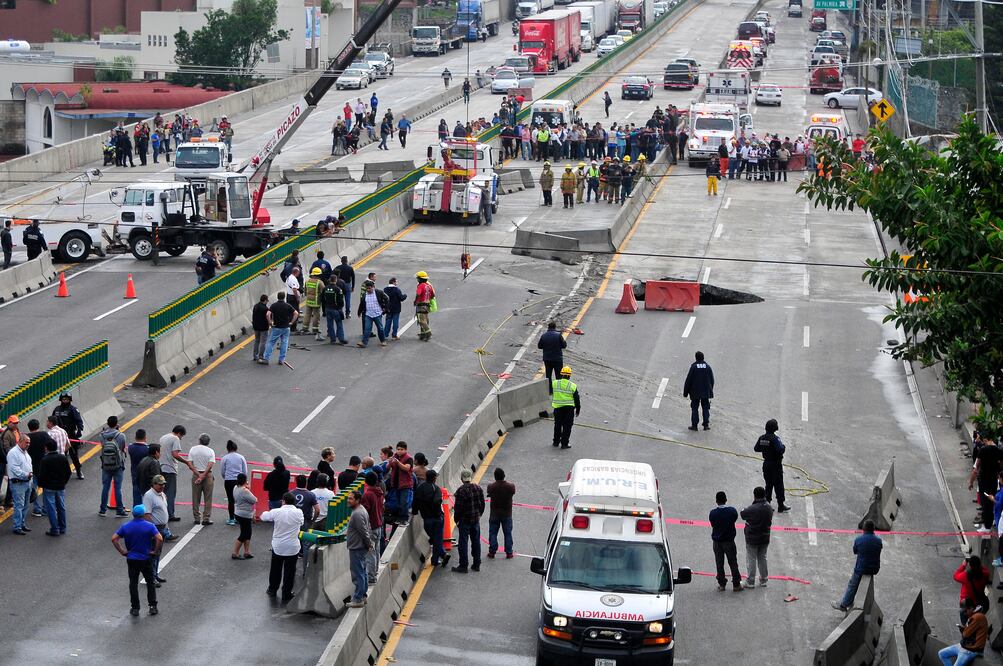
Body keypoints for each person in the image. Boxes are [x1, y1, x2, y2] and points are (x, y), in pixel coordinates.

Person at [111, 505, 163, 617]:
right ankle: (153, 606)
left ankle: (135, 608)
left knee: (133, 583)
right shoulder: (149, 526)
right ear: (143, 514)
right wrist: (154, 551)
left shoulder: (126, 526)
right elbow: (159, 538)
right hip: (145, 558)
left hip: (132, 558)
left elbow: (114, 538)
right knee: (150, 582)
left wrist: (122, 551)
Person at [261, 492, 304, 603]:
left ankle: (272, 589)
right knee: (290, 571)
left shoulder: (276, 512)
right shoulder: (299, 512)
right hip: (292, 547)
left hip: (278, 546)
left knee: (275, 569)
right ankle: (286, 592)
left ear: (283, 501)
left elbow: (263, 517)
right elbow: (302, 522)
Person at [831, 519, 882, 612]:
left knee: (852, 585)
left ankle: (844, 604)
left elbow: (855, 551)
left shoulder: (859, 540)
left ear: (864, 529)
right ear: (873, 529)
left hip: (861, 569)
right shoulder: (878, 540)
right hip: (875, 568)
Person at [413, 469, 450, 568]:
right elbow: (437, 501)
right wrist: (438, 514)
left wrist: (415, 511)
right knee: (437, 539)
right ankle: (436, 559)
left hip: (426, 519)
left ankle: (443, 555)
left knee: (434, 539)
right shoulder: (436, 488)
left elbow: (415, 501)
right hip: (437, 518)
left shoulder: (420, 488)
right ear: (434, 478)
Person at [740, 486, 774, 588]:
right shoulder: (769, 507)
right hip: (765, 537)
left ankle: (750, 581)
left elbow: (742, 514)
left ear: (754, 496)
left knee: (751, 558)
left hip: (752, 538)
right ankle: (764, 579)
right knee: (762, 557)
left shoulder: (752, 509)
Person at [452, 469, 485, 573]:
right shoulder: (478, 488)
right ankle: (476, 564)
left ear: (462, 479)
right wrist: (479, 515)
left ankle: (463, 565)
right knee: (476, 542)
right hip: (475, 520)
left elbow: (458, 508)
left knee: (463, 543)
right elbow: (482, 505)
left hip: (464, 521)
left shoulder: (461, 491)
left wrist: (456, 520)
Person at [346, 490, 375, 607]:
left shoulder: (357, 513)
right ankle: (363, 595)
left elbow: (364, 532)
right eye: (348, 498)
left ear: (357, 500)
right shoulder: (361, 510)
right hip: (360, 546)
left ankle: (358, 599)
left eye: (351, 499)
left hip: (357, 547)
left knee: (358, 574)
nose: (348, 501)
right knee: (362, 572)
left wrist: (369, 544)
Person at [938, 598, 988, 665]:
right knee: (942, 654)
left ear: (971, 608)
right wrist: (963, 628)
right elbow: (969, 632)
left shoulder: (977, 617)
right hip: (964, 646)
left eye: (965, 611)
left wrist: (964, 630)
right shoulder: (973, 615)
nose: (964, 613)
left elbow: (965, 634)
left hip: (971, 650)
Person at [37, 438, 70, 536]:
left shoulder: (45, 460)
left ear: (47, 448)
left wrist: (41, 485)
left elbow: (42, 475)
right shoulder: (62, 458)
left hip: (48, 487)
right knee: (61, 507)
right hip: (60, 486)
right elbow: (68, 472)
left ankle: (55, 529)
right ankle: (62, 527)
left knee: (51, 508)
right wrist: (64, 482)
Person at [755, 419, 790, 513]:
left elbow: (756, 448)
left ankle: (767, 505)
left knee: (768, 485)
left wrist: (766, 450)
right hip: (775, 465)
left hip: (766, 464)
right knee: (778, 485)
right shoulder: (775, 439)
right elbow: (780, 450)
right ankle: (781, 505)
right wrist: (783, 447)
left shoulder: (762, 438)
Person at [710, 491, 742, 592]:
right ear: (726, 500)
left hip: (717, 542)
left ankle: (722, 584)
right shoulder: (732, 511)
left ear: (716, 501)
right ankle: (736, 584)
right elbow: (734, 519)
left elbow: (713, 524)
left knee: (719, 563)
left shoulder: (713, 513)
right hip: (729, 541)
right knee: (733, 562)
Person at [969, 433, 1001, 532]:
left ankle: (987, 526)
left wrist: (971, 482)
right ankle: (990, 523)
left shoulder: (983, 450)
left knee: (985, 503)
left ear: (986, 440)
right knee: (991, 502)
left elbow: (975, 469)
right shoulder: (999, 451)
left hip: (983, 480)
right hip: (994, 480)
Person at [143, 475, 171, 583]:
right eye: (160, 484)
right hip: (155, 529)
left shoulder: (162, 494)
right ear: (153, 484)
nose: (162, 486)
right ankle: (150, 577)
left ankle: (155, 574)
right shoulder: (149, 496)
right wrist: (153, 530)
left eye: (163, 484)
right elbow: (146, 514)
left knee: (157, 552)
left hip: (162, 528)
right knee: (152, 554)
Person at [98, 417, 128, 517]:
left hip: (106, 464)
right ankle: (119, 510)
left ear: (107, 423)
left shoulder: (102, 435)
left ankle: (102, 510)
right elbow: (122, 448)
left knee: (105, 487)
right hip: (118, 464)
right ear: (117, 424)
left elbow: (102, 446)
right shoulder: (121, 435)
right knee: (117, 488)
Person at [157, 425, 187, 522]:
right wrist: (186, 462)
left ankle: (162, 512)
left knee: (161, 492)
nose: (181, 438)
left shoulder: (163, 437)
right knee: (170, 492)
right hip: (170, 468)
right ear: (179, 433)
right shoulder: (175, 438)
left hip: (160, 467)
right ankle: (170, 514)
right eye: (181, 436)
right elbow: (175, 454)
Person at [259, 291, 298, 365]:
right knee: (284, 343)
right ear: (284, 297)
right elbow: (296, 313)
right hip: (286, 327)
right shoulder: (287, 305)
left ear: (277, 297)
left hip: (277, 327)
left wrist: (270, 323)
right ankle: (281, 360)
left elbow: (268, 314)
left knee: (271, 342)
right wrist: (291, 322)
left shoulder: (274, 306)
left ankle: (266, 358)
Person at [51, 393, 84, 479]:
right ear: (61, 400)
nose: (65, 401)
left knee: (74, 455)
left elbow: (79, 421)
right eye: (63, 399)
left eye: (67, 399)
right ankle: (63, 473)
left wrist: (79, 430)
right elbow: (52, 421)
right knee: (62, 456)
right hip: (60, 437)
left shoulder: (73, 409)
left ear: (70, 400)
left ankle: (79, 471)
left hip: (71, 436)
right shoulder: (56, 410)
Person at [6, 429, 33, 534]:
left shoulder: (25, 452)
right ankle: (17, 526)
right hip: (18, 483)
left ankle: (22, 524)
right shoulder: (13, 453)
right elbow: (15, 469)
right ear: (20, 442)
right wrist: (26, 475)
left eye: (29, 442)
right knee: (19, 505)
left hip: (27, 482)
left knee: (25, 505)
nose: (28, 444)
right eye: (26, 442)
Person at [360, 472, 385, 583]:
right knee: (376, 550)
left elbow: (364, 512)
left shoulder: (368, 494)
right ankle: (374, 572)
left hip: (371, 526)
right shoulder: (380, 492)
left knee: (370, 553)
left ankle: (371, 577)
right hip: (379, 525)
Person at [487, 468, 515, 559]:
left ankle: (492, 552)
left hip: (494, 514)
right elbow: (513, 492)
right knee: (507, 533)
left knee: (493, 533)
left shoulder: (491, 487)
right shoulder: (510, 487)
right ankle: (509, 552)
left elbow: (489, 492)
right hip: (507, 514)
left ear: (495, 477)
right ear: (504, 476)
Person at [682, 351, 714, 431]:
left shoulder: (693, 367)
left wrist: (685, 393)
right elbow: (712, 380)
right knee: (706, 408)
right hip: (705, 392)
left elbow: (688, 380)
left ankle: (694, 425)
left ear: (696, 358)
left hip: (695, 392)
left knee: (694, 408)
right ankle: (706, 425)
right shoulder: (708, 367)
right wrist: (710, 390)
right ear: (703, 357)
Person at [953, 556, 990, 623]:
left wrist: (963, 565)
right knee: (976, 621)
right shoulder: (985, 574)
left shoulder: (965, 575)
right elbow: (986, 570)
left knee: (965, 622)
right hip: (978, 602)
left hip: (966, 603)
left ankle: (965, 630)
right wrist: (978, 566)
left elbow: (955, 576)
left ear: (970, 566)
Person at [551, 365, 581, 450]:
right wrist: (578, 409)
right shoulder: (573, 386)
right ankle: (564, 444)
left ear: (561, 374)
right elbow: (576, 399)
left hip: (558, 408)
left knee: (557, 425)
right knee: (567, 427)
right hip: (569, 410)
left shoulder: (555, 383)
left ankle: (556, 442)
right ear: (569, 376)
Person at [189, 433, 216, 525]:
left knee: (195, 497)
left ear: (199, 440)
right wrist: (204, 474)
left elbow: (190, 463)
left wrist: (199, 475)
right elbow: (210, 464)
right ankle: (206, 518)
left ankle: (196, 517)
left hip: (196, 475)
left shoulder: (193, 449)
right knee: (208, 497)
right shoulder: (210, 451)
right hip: (207, 475)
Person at [221, 440, 248, 526]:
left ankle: (231, 519)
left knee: (230, 500)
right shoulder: (241, 457)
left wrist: (226, 477)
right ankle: (238, 517)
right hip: (239, 480)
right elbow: (245, 471)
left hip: (228, 480)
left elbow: (222, 471)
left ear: (227, 448)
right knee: (239, 500)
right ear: (236, 448)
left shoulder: (225, 458)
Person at [357, 280, 389, 348]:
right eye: (367, 288)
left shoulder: (379, 292)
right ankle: (364, 343)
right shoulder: (365, 295)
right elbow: (362, 304)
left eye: (369, 288)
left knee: (380, 328)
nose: (368, 290)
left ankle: (383, 341)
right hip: (368, 314)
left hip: (377, 314)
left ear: (373, 287)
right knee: (367, 329)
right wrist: (359, 312)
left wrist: (385, 308)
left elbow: (387, 298)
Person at [537, 321, 567, 392]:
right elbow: (564, 345)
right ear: (555, 327)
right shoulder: (558, 335)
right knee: (559, 375)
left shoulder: (544, 336)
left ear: (548, 327)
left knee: (548, 375)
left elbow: (539, 346)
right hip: (557, 359)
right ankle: (558, 390)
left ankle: (550, 390)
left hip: (547, 359)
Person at [321, 272, 348, 345]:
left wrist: (325, 308)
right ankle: (341, 339)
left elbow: (322, 299)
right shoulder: (338, 289)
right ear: (335, 280)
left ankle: (332, 339)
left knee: (330, 324)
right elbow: (340, 300)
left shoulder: (325, 288)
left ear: (330, 280)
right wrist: (340, 308)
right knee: (339, 324)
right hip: (336, 309)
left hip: (328, 308)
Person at [127, 430, 151, 507]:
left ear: (135, 437)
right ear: (145, 437)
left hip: (134, 472)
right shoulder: (148, 449)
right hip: (145, 473)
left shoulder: (130, 447)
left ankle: (137, 510)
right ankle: (146, 510)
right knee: (146, 492)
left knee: (136, 491)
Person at [301, 267, 324, 340]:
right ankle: (315, 329)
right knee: (316, 315)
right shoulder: (319, 282)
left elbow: (305, 291)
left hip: (308, 301)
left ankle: (305, 328)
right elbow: (323, 291)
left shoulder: (307, 281)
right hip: (316, 301)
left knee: (307, 314)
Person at [414, 271, 436, 342]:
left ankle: (428, 333)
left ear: (420, 279)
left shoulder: (420, 286)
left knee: (421, 321)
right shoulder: (429, 286)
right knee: (425, 319)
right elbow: (433, 295)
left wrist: (415, 301)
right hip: (427, 305)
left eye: (418, 278)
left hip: (421, 305)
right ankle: (423, 334)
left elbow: (418, 294)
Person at [252, 294, 270, 362]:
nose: (267, 302)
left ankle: (255, 355)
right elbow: (268, 316)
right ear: (265, 300)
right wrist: (270, 323)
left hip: (256, 327)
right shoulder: (265, 309)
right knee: (263, 342)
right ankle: (261, 356)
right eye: (267, 301)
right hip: (264, 328)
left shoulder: (255, 306)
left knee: (257, 341)